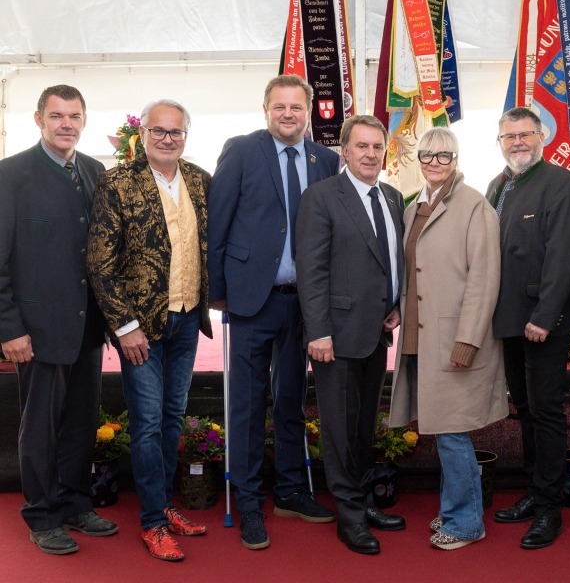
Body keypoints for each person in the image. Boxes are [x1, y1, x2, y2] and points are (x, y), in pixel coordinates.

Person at [207, 74, 339, 550]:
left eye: (296, 107)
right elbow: (218, 221)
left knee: (289, 402)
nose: (288, 114)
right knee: (245, 403)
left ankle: (289, 492)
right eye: (279, 106)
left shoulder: (327, 159)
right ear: (266, 109)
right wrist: (217, 291)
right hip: (250, 299)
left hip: (304, 304)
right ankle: (246, 501)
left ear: (309, 112)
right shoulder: (241, 150)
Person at [87, 99, 212, 561]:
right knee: (146, 424)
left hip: (187, 320)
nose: (167, 138)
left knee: (171, 419)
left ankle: (162, 504)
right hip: (140, 329)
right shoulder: (118, 182)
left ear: (185, 136)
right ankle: (153, 523)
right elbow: (100, 263)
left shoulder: (199, 180)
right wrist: (124, 326)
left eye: (175, 132)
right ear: (143, 136)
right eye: (158, 131)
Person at [0, 84, 117, 555]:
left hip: (88, 329)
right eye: (56, 116)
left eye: (74, 116)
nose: (65, 124)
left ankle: (74, 502)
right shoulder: (11, 175)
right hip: (37, 331)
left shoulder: (93, 171)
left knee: (79, 423)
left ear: (84, 120)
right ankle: (43, 515)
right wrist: (9, 329)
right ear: (38, 119)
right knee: (41, 428)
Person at [389, 127, 507, 550]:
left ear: (457, 159)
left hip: (456, 339)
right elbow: (413, 273)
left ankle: (465, 522)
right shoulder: (412, 208)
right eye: (427, 155)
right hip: (421, 337)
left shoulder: (475, 206)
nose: (434, 162)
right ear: (417, 159)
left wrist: (469, 339)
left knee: (453, 431)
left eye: (444, 155)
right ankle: (458, 508)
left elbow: (485, 278)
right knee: (441, 430)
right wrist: (399, 310)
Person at [296, 114, 406, 555]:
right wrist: (318, 332)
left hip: (376, 332)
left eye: (377, 147)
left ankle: (363, 499)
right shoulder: (321, 198)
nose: (370, 154)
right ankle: (349, 516)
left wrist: (397, 303)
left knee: (362, 426)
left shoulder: (393, 197)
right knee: (339, 428)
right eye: (361, 146)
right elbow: (312, 270)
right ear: (344, 152)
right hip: (335, 337)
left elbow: (390, 260)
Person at [485, 107, 570, 549]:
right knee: (524, 411)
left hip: (544, 321)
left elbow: (563, 256)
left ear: (541, 136)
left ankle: (550, 509)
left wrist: (544, 317)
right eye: (509, 136)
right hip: (507, 321)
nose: (518, 142)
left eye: (525, 134)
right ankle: (534, 490)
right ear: (500, 142)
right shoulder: (498, 184)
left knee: (546, 413)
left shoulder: (560, 183)